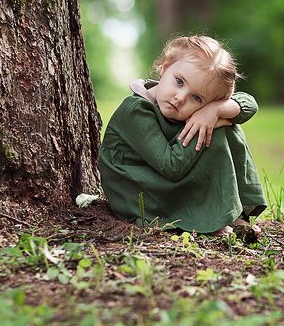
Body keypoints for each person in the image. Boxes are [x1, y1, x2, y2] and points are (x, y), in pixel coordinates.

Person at [98, 35, 267, 237]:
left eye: (196, 98)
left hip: (164, 184)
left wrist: (214, 110)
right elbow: (171, 166)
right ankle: (210, 218)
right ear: (165, 67)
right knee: (216, 128)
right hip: (139, 194)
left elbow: (250, 104)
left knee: (228, 129)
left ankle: (228, 214)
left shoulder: (195, 107)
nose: (180, 98)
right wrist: (214, 120)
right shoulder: (135, 110)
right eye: (179, 82)